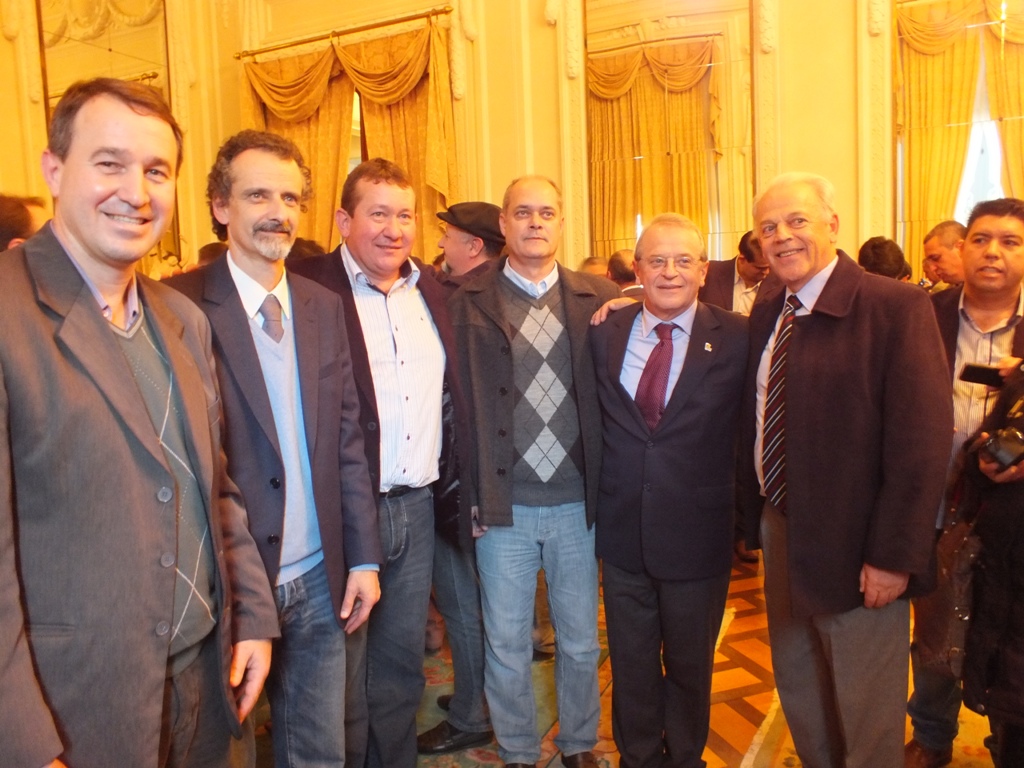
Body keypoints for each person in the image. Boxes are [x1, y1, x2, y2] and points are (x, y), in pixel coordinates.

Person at [0, 77, 278, 768]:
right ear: (55, 170)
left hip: (205, 682)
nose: (137, 192)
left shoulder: (182, 319)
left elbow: (216, 489)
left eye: (157, 171)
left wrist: (251, 615)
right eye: (110, 163)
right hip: (75, 708)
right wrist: (23, 743)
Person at [166, 130, 384, 768]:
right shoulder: (178, 306)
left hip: (319, 574)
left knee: (319, 751)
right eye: (258, 195)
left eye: (290, 198)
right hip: (229, 585)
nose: (278, 212)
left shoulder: (322, 305)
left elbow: (346, 438)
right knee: (224, 752)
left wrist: (363, 557)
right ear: (220, 206)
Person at [737, 172, 953, 768]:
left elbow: (921, 444)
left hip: (862, 547)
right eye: (768, 227)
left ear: (833, 225)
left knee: (864, 709)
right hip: (782, 528)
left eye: (797, 220)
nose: (782, 236)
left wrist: (894, 555)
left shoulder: (895, 307)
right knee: (801, 685)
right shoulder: (769, 309)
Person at [289, 158, 475, 768]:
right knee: (336, 672)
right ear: (343, 221)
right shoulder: (305, 289)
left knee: (399, 668)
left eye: (405, 215)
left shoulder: (434, 292)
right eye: (378, 214)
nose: (394, 230)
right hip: (342, 511)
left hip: (415, 509)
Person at [449, 175, 620, 768]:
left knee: (579, 642)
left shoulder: (599, 298)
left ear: (562, 222)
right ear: (504, 224)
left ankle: (578, 744)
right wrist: (467, 495)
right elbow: (455, 409)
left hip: (578, 505)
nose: (535, 223)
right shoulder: (464, 299)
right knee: (506, 643)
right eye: (523, 212)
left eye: (547, 212)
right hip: (504, 507)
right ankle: (518, 750)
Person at [591, 213, 748, 768]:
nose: (670, 272)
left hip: (698, 534)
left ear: (704, 270)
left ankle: (684, 757)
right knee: (631, 662)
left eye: (684, 260)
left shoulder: (738, 336)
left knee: (689, 666)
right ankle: (637, 757)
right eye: (656, 260)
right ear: (637, 270)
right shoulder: (604, 331)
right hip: (622, 531)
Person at [906, 197, 1024, 768]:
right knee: (935, 630)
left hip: (1012, 515)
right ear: (962, 248)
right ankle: (932, 736)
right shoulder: (920, 316)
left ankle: (1009, 738)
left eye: (1010, 241)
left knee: (1009, 632)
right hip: (933, 504)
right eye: (981, 239)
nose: (993, 252)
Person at [416, 198, 503, 755]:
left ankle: (474, 713)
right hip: (476, 481)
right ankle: (480, 694)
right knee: (479, 602)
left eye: (446, 234)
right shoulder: (497, 294)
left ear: (473, 246)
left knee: (461, 603)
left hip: (458, 483)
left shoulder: (462, 302)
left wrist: (463, 489)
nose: (440, 242)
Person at [961, 365, 1024, 768]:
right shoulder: (1020, 383)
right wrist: (982, 459)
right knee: (1007, 699)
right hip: (1003, 570)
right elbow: (977, 450)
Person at [698, 230, 775, 316]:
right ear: (742, 260)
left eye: (769, 266)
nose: (767, 272)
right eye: (760, 268)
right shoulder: (709, 273)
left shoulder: (778, 282)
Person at [435, 200, 504, 286]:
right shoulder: (502, 282)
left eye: (447, 236)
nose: (440, 244)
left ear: (473, 247)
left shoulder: (464, 290)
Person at [923, 221, 967, 291]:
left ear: (961, 248)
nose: (932, 268)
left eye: (936, 258)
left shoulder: (985, 290)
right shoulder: (943, 294)